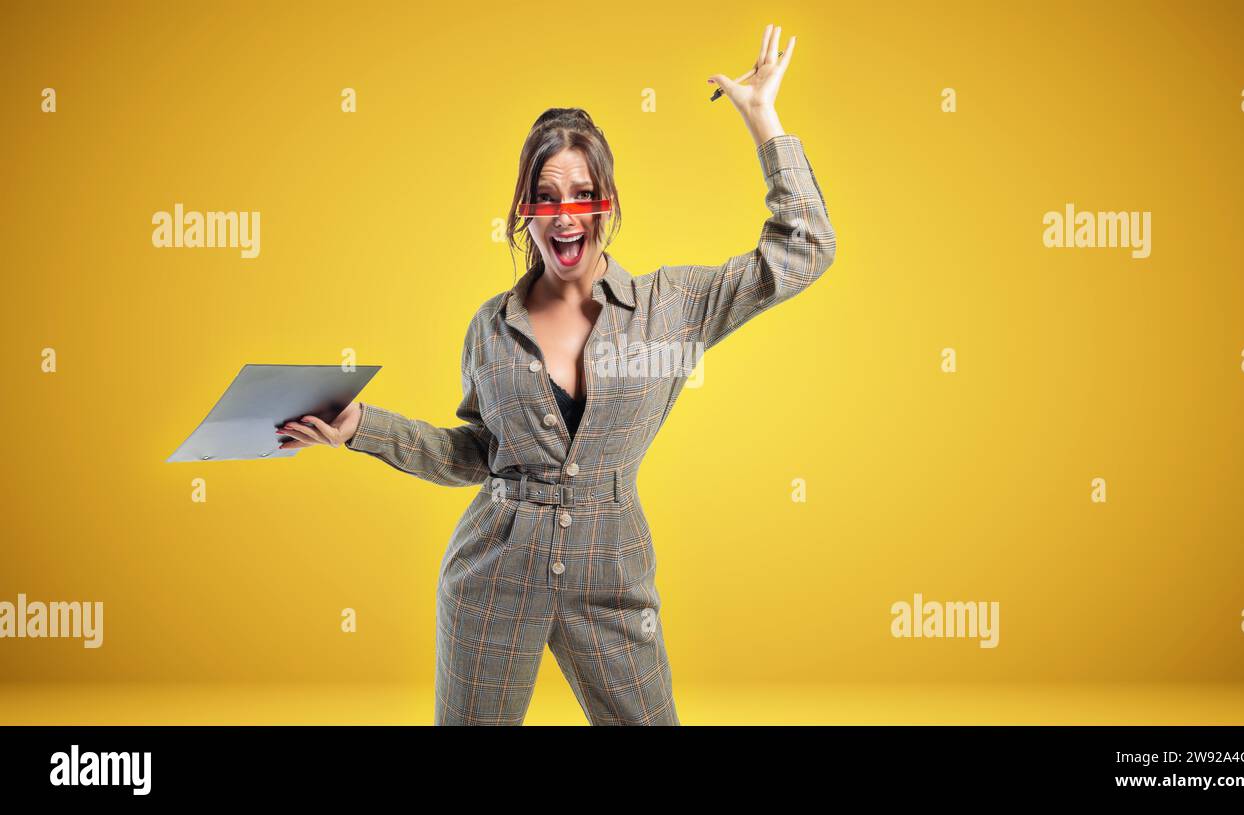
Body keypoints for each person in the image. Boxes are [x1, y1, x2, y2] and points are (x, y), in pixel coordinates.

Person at [275, 24, 835, 725]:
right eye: (545, 196)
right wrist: (361, 427)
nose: (565, 215)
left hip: (614, 577)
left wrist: (764, 123)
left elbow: (805, 248)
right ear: (524, 212)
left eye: (582, 193)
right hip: (490, 579)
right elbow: (476, 455)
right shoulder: (490, 327)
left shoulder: (672, 305)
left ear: (607, 201)